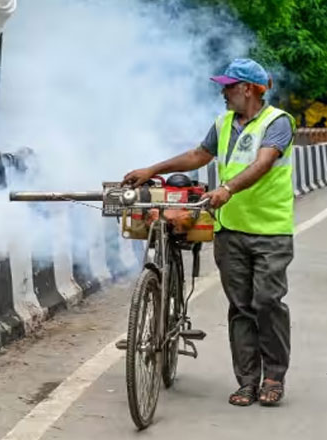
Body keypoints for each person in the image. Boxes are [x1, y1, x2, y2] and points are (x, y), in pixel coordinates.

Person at [124, 58, 296, 407]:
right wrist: (152, 169)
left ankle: (274, 376)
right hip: (230, 229)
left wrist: (227, 189)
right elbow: (198, 155)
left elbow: (263, 164)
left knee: (267, 303)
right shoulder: (223, 123)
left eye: (229, 86)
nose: (223, 93)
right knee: (241, 306)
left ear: (248, 88)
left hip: (270, 231)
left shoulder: (277, 123)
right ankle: (247, 381)